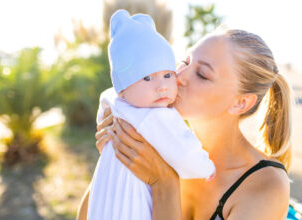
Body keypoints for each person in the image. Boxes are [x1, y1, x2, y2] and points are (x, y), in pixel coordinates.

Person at [77, 27, 293, 220]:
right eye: (185, 62)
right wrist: (113, 155)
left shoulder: (266, 186)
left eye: (202, 74)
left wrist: (164, 184)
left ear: (241, 103)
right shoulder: (158, 147)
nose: (178, 77)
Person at [86, 9, 215, 220]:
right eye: (147, 78)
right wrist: (205, 168)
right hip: (132, 203)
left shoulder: (114, 102)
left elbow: (103, 107)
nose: (162, 87)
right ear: (123, 88)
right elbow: (184, 151)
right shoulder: (155, 116)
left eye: (167, 75)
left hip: (104, 196)